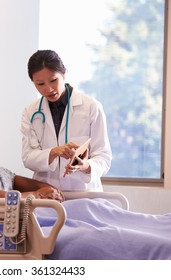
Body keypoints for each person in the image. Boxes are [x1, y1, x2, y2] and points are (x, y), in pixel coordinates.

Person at [21, 50, 112, 192]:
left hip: (83, 193)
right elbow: (28, 158)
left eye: (53, 80)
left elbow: (103, 156)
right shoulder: (30, 112)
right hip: (48, 194)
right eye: (40, 84)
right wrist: (54, 152)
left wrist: (86, 166)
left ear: (63, 74)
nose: (48, 89)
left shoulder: (91, 107)